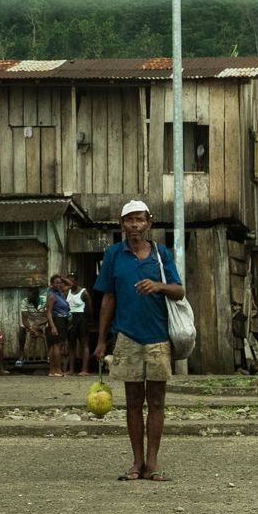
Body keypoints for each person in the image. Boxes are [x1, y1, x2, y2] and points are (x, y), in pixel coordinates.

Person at [92, 200, 184, 481]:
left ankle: (152, 464)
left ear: (149, 223)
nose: (135, 225)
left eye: (140, 219)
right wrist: (101, 341)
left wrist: (158, 285)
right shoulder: (114, 255)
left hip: (158, 338)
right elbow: (108, 298)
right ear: (122, 225)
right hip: (127, 337)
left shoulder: (161, 254)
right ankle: (136, 463)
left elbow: (179, 291)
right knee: (133, 403)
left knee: (156, 403)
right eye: (129, 220)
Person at [45, 275, 73, 377]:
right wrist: (53, 326)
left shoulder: (60, 293)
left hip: (61, 321)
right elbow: (48, 312)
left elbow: (70, 284)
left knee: (55, 346)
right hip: (57, 321)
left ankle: (52, 371)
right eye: (56, 282)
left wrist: (61, 277)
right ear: (51, 284)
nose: (59, 284)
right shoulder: (52, 295)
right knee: (57, 345)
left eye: (60, 282)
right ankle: (57, 370)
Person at [65, 273, 92, 376]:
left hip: (81, 318)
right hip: (71, 319)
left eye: (72, 281)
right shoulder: (68, 292)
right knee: (71, 345)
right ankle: (71, 369)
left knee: (84, 344)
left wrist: (86, 320)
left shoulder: (84, 292)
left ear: (76, 281)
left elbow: (90, 309)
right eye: (69, 281)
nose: (70, 283)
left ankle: (84, 370)